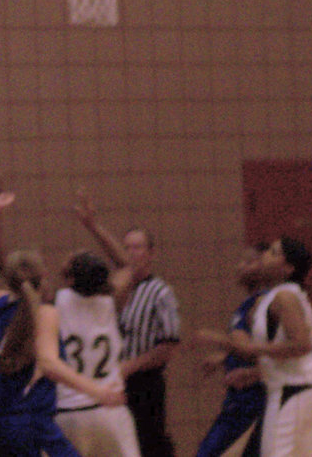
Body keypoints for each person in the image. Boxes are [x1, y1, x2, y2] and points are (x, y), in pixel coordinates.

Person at [0, 191, 125, 457]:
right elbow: (50, 364)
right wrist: (97, 391)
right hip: (31, 422)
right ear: (43, 275)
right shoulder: (45, 312)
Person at [199, 237, 312, 457]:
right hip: (285, 387)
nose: (264, 256)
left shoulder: (285, 296)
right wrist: (254, 372)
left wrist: (240, 347)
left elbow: (302, 344)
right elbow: (283, 351)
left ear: (287, 268)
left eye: (273, 252)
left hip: (298, 388)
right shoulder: (269, 298)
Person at [75, 192, 180, 457]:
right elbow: (120, 263)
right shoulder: (113, 290)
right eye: (128, 247)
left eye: (138, 247)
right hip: (114, 383)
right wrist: (93, 226)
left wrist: (130, 367)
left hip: (144, 383)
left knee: (149, 443)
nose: (132, 253)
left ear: (151, 253)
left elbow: (168, 347)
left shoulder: (160, 292)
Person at [54, 250, 142, 457]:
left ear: (69, 277)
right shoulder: (112, 302)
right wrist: (93, 225)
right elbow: (128, 267)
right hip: (109, 409)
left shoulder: (54, 302)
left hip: (68, 412)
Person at [193, 245, 267, 457]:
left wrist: (218, 340)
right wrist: (226, 357)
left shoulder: (264, 302)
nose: (240, 266)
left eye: (249, 261)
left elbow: (262, 350)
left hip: (253, 398)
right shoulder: (250, 302)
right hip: (241, 398)